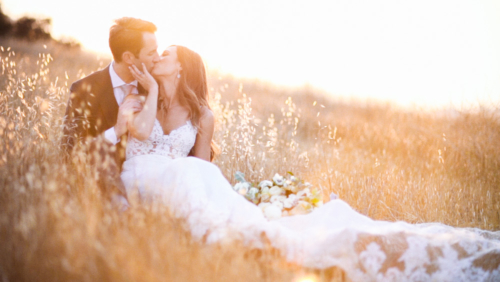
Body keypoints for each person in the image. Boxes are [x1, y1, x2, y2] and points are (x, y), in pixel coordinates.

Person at [121, 46, 500, 281]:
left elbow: (201, 166)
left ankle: (221, 232)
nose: (157, 58)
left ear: (181, 67)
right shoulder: (144, 97)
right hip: (150, 178)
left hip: (187, 179)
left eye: (166, 54)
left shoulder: (202, 115)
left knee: (215, 195)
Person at [62, 17, 160, 202]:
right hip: (104, 188)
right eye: (152, 53)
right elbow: (71, 152)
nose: (158, 57)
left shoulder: (157, 86)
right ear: (129, 57)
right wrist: (116, 131)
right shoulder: (84, 90)